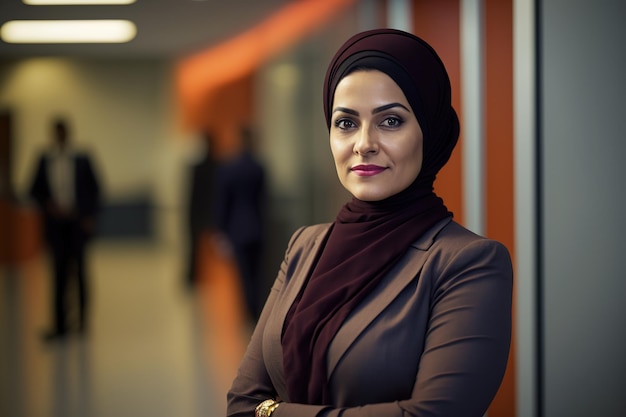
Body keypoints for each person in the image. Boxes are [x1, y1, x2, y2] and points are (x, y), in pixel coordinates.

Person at [226, 28, 513, 417]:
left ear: (430, 132)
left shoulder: (469, 263)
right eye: (346, 123)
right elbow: (241, 403)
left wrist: (273, 412)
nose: (364, 143)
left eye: (391, 121)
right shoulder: (306, 245)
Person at [29, 117, 101, 341]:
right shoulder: (44, 160)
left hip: (77, 223)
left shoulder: (82, 159)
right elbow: (33, 190)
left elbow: (96, 189)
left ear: (68, 134)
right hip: (56, 225)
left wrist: (88, 215)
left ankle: (81, 322)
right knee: (58, 274)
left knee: (79, 273)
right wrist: (48, 205)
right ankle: (60, 324)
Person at [214, 126, 266, 321]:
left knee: (244, 275)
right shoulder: (258, 167)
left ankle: (248, 311)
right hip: (257, 228)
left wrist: (220, 230)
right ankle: (257, 310)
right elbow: (262, 200)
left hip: (237, 229)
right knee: (257, 273)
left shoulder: (229, 168)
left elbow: (222, 202)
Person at [186, 131, 219, 289]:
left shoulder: (200, 168)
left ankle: (198, 277)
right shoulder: (216, 167)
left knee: (201, 249)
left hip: (200, 212)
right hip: (208, 212)